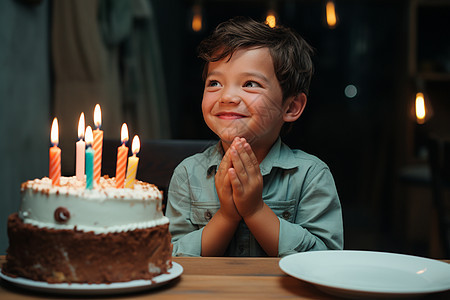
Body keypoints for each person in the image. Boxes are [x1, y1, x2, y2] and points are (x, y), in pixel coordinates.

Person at [166, 17, 343, 257]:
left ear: (291, 107)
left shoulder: (310, 176)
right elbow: (172, 258)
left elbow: (325, 260)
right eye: (215, 83)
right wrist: (227, 216)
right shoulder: (188, 175)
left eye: (249, 83)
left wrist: (255, 210)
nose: (227, 96)